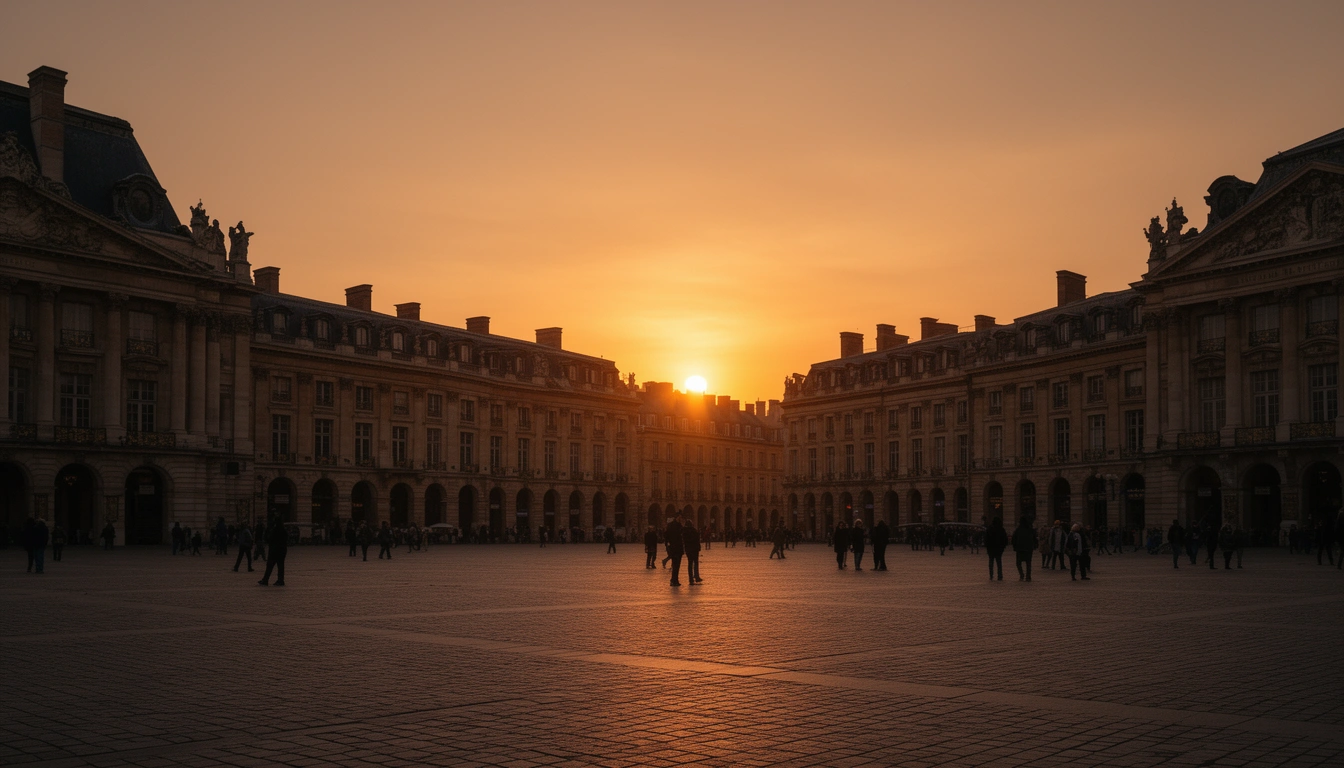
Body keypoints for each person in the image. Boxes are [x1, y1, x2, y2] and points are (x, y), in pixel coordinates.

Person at [258, 517, 288, 586]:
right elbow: (286, 539)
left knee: (269, 566)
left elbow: (270, 539)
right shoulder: (283, 530)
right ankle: (280, 580)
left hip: (274, 551)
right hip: (282, 550)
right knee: (280, 566)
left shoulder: (275, 530)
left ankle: (265, 580)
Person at [985, 517, 1007, 581]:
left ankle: (991, 575)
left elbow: (986, 539)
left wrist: (987, 546)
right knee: (999, 562)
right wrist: (1003, 547)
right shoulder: (1001, 529)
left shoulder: (989, 529)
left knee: (991, 562)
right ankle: (1000, 575)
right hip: (999, 549)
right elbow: (1005, 539)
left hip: (991, 548)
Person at [665, 516, 685, 586]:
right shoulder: (679, 526)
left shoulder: (670, 526)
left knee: (674, 565)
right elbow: (682, 536)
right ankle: (674, 580)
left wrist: (667, 546)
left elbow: (666, 536)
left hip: (672, 548)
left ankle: (673, 579)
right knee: (676, 565)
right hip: (678, 548)